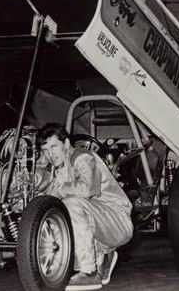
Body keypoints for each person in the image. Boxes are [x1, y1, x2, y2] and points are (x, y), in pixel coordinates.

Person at [37, 123, 133, 291]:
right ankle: (103, 257)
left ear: (66, 144)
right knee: (56, 209)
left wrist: (59, 189)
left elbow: (88, 189)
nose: (50, 154)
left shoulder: (82, 157)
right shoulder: (58, 169)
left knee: (71, 204)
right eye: (45, 150)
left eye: (54, 147)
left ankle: (88, 273)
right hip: (101, 221)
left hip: (118, 220)